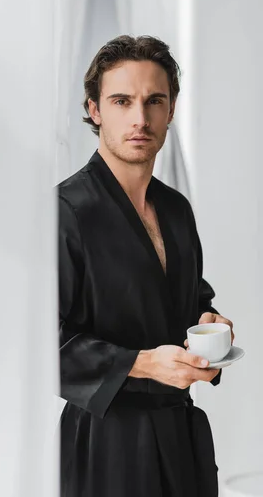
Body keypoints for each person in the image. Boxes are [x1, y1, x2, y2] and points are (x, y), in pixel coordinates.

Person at [58, 35, 234, 497]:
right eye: (122, 101)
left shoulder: (175, 209)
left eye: (154, 101)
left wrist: (208, 322)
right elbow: (41, 346)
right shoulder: (65, 211)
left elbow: (193, 296)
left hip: (182, 436)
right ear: (95, 110)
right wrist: (141, 364)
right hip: (108, 444)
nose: (140, 118)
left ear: (171, 110)